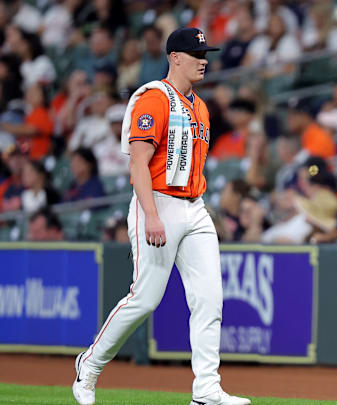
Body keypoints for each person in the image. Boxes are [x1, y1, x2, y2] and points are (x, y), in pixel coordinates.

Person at [72, 28, 250, 405]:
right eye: (195, 52)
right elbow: (138, 163)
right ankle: (89, 365)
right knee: (145, 298)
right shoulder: (155, 98)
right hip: (157, 203)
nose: (203, 59)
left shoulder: (200, 106)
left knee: (209, 299)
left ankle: (206, 390)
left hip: (193, 206)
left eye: (205, 52)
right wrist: (151, 215)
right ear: (175, 57)